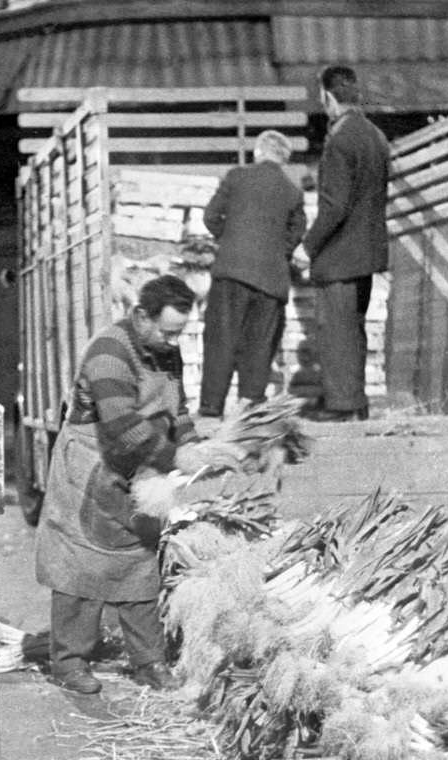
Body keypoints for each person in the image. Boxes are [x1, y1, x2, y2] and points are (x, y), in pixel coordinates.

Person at [34, 275, 237, 695]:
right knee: (81, 566)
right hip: (91, 467)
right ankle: (69, 663)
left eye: (178, 333)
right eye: (166, 331)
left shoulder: (167, 353)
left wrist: (195, 447)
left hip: (139, 469)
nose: (171, 340)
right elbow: (123, 427)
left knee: (143, 561)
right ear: (141, 316)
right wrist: (174, 457)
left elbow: (175, 410)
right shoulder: (108, 351)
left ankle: (148, 662)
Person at [199, 130, 307, 420]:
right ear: (284, 159)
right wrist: (275, 251)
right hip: (272, 281)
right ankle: (249, 414)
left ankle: (211, 409)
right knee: (259, 347)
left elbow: (210, 217)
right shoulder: (292, 191)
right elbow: (296, 233)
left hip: (231, 273)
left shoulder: (236, 176)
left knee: (221, 341)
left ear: (258, 152)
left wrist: (231, 239)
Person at [303, 65, 390, 422]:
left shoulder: (340, 138)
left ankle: (341, 407)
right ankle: (356, 403)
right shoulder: (375, 136)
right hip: (366, 254)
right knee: (353, 330)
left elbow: (335, 205)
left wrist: (306, 246)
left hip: (338, 256)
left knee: (335, 332)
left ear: (328, 96)